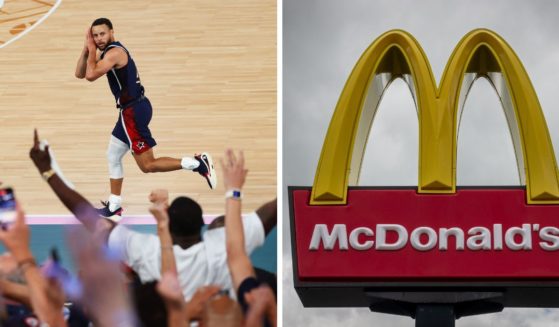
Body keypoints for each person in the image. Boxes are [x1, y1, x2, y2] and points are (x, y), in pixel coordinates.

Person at [29, 130, 277, 302]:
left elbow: (87, 215)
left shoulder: (146, 251)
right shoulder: (225, 246)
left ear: (168, 227)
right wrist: (234, 190)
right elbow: (271, 212)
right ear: (202, 229)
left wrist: (47, 171)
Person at [74, 17, 216, 218]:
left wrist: (91, 49)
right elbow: (79, 73)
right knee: (113, 156)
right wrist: (86, 49)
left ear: (112, 32)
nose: (98, 38)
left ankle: (198, 163)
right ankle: (114, 205)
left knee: (148, 166)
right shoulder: (104, 52)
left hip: (132, 112)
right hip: (132, 109)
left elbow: (90, 75)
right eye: (95, 35)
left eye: (102, 34)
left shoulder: (114, 52)